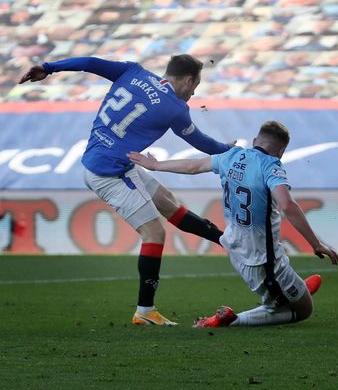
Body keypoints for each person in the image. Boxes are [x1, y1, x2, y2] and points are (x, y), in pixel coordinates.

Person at [19, 54, 232, 326]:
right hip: (108, 172)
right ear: (188, 80)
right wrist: (231, 150)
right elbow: (202, 142)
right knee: (153, 232)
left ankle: (227, 243)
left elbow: (89, 63)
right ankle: (145, 311)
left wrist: (49, 68)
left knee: (167, 202)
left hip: (112, 160)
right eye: (195, 86)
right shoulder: (175, 108)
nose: (194, 92)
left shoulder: (134, 72)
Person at [128, 120, 338, 327]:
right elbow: (288, 205)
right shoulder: (271, 167)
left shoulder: (232, 156)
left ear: (255, 140)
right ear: (282, 151)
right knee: (302, 310)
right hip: (262, 261)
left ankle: (296, 290)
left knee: (288, 294)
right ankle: (232, 320)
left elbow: (193, 166)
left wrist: (155, 165)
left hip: (233, 246)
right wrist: (316, 243)